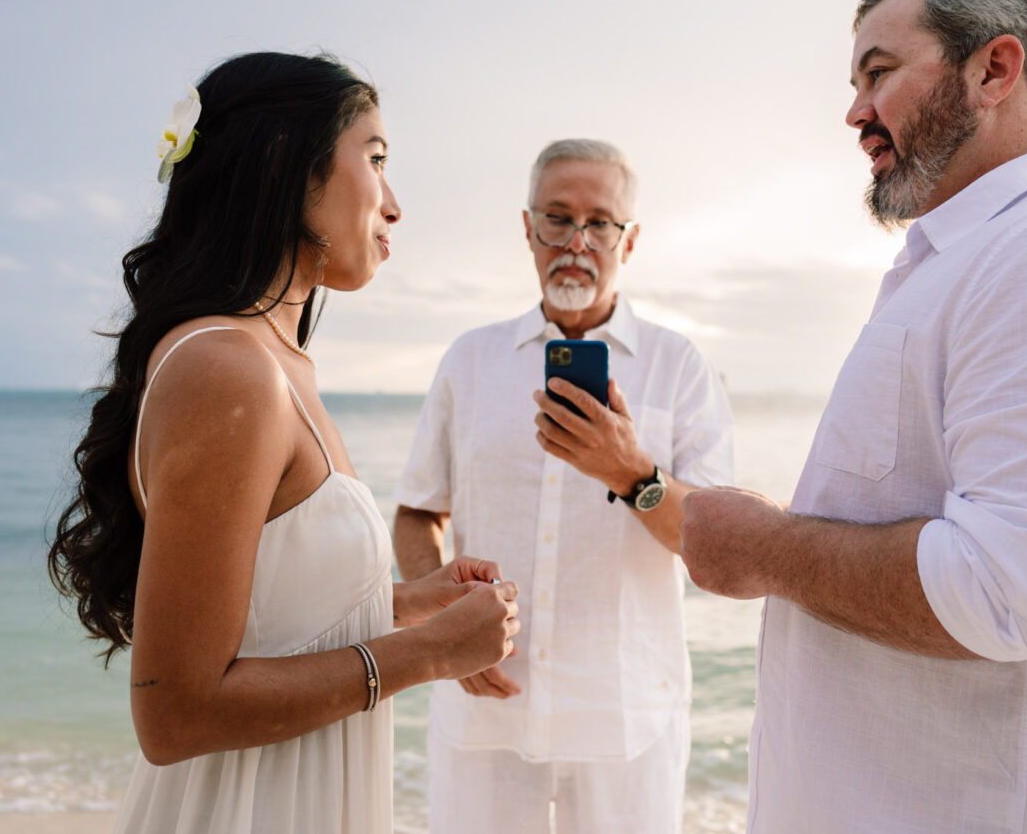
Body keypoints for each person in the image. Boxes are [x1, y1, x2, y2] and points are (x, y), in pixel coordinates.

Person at [680, 0, 1027, 832]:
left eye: (879, 73)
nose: (855, 114)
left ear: (994, 71)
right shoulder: (972, 261)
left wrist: (768, 550)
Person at [47, 52, 520, 833]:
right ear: (284, 166)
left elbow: (266, 613)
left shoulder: (276, 362)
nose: (395, 204)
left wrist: (406, 605)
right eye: (375, 160)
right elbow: (176, 714)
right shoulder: (228, 370)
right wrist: (431, 654)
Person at [393, 139, 734, 833]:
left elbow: (714, 543)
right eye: (557, 218)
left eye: (600, 223)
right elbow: (418, 512)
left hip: (625, 717)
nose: (577, 242)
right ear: (527, 229)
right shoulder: (471, 360)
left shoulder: (680, 367)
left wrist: (629, 470)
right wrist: (441, 627)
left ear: (629, 241)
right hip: (486, 707)